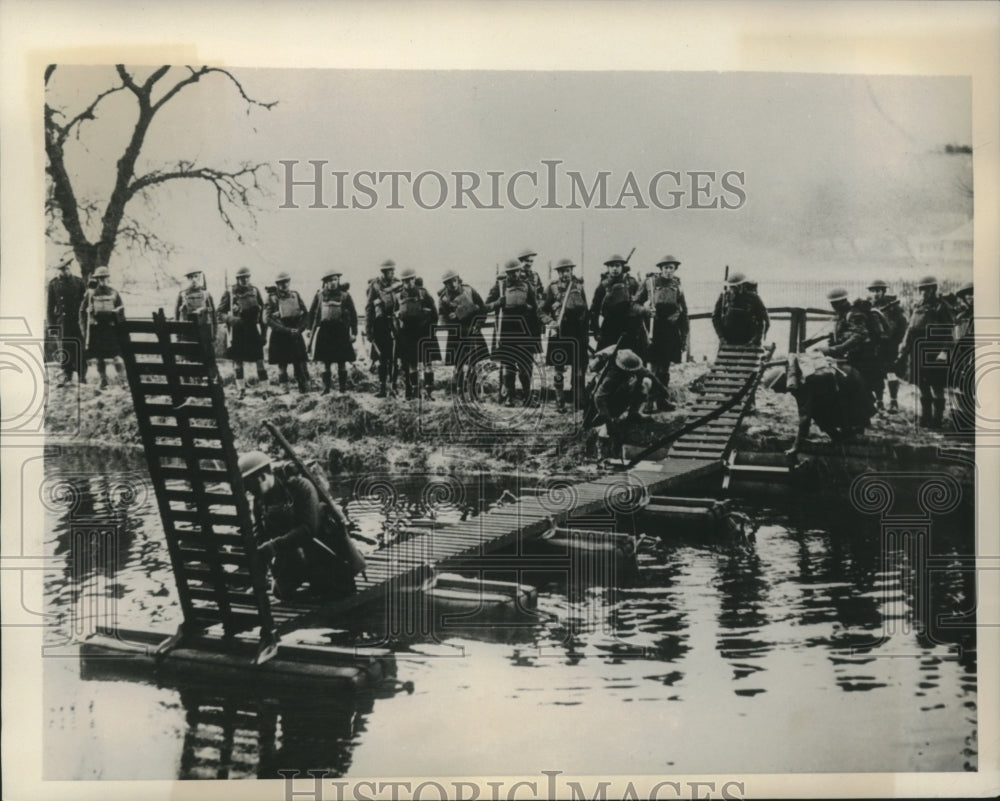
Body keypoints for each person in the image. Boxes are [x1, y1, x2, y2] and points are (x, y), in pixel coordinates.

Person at [238, 450, 358, 601]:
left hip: (324, 551)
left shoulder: (300, 486)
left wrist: (273, 546)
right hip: (293, 554)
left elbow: (308, 530)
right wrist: (260, 565)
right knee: (280, 592)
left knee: (333, 590)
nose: (250, 492)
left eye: (250, 486)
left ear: (262, 477)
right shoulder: (259, 501)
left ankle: (329, 583)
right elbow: (260, 535)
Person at [766, 352, 875, 457]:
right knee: (820, 410)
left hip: (849, 384)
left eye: (776, 388)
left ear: (781, 381)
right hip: (848, 376)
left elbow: (805, 418)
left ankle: (854, 443)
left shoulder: (800, 384)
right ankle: (841, 437)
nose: (776, 392)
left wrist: (796, 447)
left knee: (851, 419)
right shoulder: (798, 374)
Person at [896, 275, 955, 429]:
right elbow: (910, 328)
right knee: (922, 386)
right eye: (921, 289)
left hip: (934, 351)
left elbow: (950, 331)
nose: (923, 292)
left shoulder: (942, 306)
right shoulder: (917, 306)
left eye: (926, 289)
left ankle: (937, 419)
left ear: (933, 290)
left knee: (936, 386)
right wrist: (904, 344)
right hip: (918, 350)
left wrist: (944, 351)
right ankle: (926, 416)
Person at [632, 255, 689, 412]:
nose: (668, 271)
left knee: (664, 368)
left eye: (671, 267)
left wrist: (684, 336)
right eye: (665, 268)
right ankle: (648, 402)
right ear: (661, 269)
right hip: (652, 329)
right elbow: (633, 305)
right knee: (651, 367)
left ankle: (662, 400)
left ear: (675, 269)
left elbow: (684, 313)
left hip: (670, 331)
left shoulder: (677, 286)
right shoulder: (650, 283)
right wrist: (645, 310)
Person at [486, 259, 541, 407]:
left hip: (525, 330)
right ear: (506, 273)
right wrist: (499, 302)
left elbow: (537, 309)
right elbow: (486, 306)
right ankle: (509, 396)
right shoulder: (500, 286)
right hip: (507, 330)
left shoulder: (527, 286)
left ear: (520, 271)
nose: (514, 274)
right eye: (511, 272)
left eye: (516, 271)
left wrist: (531, 310)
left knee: (525, 367)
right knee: (509, 365)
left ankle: (527, 396)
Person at [540, 258, 590, 413]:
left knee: (578, 368)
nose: (565, 274)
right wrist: (550, 321)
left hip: (577, 333)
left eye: (567, 270)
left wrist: (585, 331)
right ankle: (559, 401)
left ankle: (578, 400)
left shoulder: (579, 287)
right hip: (560, 333)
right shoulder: (552, 289)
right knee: (559, 369)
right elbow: (540, 310)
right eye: (561, 271)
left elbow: (586, 310)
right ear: (558, 273)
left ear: (571, 271)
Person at [820, 288, 880, 402]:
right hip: (852, 355)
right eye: (832, 303)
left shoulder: (853, 314)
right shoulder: (843, 315)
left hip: (862, 356)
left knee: (861, 388)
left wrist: (838, 349)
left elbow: (860, 333)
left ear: (842, 302)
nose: (833, 306)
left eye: (835, 303)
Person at [217, 266, 269, 398]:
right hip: (237, 331)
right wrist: (231, 319)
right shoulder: (230, 292)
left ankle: (265, 390)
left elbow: (263, 314)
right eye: (242, 278)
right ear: (237, 279)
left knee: (259, 361)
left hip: (252, 330)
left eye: (247, 277)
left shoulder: (255, 291)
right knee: (238, 362)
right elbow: (220, 313)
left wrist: (264, 334)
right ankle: (241, 390)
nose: (245, 280)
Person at [437, 268, 489, 397]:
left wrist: (478, 324)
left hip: (472, 330)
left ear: (458, 279)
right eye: (449, 283)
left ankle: (473, 390)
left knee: (474, 362)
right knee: (458, 363)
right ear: (445, 284)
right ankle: (459, 390)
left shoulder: (469, 290)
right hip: (457, 333)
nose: (453, 284)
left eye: (454, 281)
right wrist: (449, 319)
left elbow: (482, 308)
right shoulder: (444, 299)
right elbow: (442, 318)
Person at [307, 269, 358, 394]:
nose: (333, 283)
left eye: (335, 279)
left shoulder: (345, 295)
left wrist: (354, 332)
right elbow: (312, 312)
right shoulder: (319, 295)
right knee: (326, 362)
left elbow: (353, 314)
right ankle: (326, 389)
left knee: (342, 362)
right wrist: (309, 329)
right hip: (325, 331)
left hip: (341, 332)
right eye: (330, 280)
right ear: (325, 282)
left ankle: (342, 389)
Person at [394, 267, 439, 400]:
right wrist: (398, 328)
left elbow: (434, 313)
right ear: (402, 282)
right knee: (412, 364)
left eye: (410, 280)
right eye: (405, 281)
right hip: (408, 334)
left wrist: (431, 329)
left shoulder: (423, 294)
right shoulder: (398, 296)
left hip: (424, 332)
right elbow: (394, 315)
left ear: (414, 279)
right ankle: (415, 391)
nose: (408, 283)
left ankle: (429, 392)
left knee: (427, 364)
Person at [589, 254, 645, 357]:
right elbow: (594, 309)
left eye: (618, 265)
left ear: (622, 267)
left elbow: (639, 303)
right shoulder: (603, 285)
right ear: (608, 268)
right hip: (609, 326)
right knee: (606, 357)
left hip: (629, 325)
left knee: (631, 357)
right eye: (611, 266)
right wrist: (596, 330)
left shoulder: (632, 283)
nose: (615, 268)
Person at [78, 266, 125, 389]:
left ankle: (122, 380)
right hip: (97, 330)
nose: (103, 281)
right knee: (100, 357)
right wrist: (89, 314)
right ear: (97, 279)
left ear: (108, 278)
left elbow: (121, 309)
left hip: (111, 328)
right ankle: (103, 380)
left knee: (117, 355)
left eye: (105, 278)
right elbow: (82, 311)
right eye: (100, 278)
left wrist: (117, 314)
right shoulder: (91, 294)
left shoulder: (113, 292)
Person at [265, 271, 311, 393]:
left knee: (300, 363)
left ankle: (304, 389)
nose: (284, 285)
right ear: (277, 284)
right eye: (281, 283)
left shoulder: (295, 295)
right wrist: (286, 330)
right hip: (280, 334)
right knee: (282, 364)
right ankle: (284, 391)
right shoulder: (272, 298)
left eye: (286, 282)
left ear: (289, 282)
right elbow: (267, 319)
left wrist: (300, 329)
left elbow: (306, 314)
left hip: (295, 333)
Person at [867, 279, 908, 413]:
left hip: (889, 346)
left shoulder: (893, 307)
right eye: (872, 291)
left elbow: (902, 324)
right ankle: (879, 402)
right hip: (875, 345)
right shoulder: (869, 306)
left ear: (883, 291)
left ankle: (893, 401)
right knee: (877, 374)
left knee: (891, 373)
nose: (875, 294)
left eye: (878, 291)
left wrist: (895, 340)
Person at [47, 259, 88, 385]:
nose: (64, 271)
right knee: (64, 349)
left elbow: (85, 303)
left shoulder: (79, 282)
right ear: (59, 270)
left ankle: (82, 376)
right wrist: (52, 326)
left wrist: (86, 321)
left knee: (80, 348)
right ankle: (67, 375)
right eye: (62, 269)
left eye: (66, 268)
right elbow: (50, 307)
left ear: (70, 268)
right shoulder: (53, 284)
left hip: (77, 321)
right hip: (62, 322)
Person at [366, 259, 399, 398]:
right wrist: (369, 328)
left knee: (395, 357)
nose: (393, 273)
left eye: (393, 270)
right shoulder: (375, 285)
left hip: (395, 323)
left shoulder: (398, 283)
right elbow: (369, 308)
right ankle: (382, 388)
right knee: (382, 358)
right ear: (384, 272)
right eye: (390, 271)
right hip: (380, 324)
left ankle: (394, 387)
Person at [711, 272, 769, 347]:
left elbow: (763, 321)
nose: (732, 290)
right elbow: (715, 317)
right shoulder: (724, 297)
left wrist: (755, 339)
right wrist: (721, 337)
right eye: (730, 287)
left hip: (750, 341)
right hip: (728, 341)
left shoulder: (754, 298)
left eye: (734, 287)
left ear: (742, 286)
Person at [951, 281, 975, 431]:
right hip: (963, 357)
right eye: (969, 295)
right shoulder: (961, 316)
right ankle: (965, 422)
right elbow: (955, 338)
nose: (972, 297)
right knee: (963, 389)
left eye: (974, 294)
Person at [174, 269, 217, 344]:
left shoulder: (206, 294)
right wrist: (178, 336)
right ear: (187, 279)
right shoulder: (182, 294)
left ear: (199, 278)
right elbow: (176, 317)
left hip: (203, 333)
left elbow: (213, 315)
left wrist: (214, 333)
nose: (193, 279)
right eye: (190, 277)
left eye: (196, 276)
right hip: (187, 333)